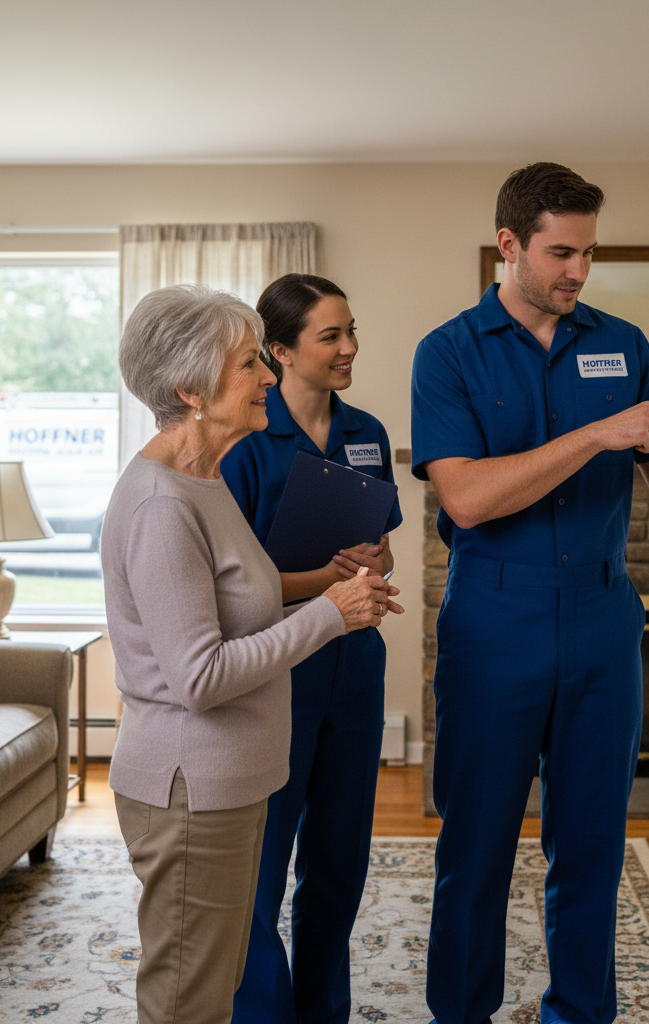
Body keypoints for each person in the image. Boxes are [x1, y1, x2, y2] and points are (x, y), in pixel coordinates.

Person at [410, 163, 649, 1024]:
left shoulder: (621, 342)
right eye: (561, 252)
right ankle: (462, 1015)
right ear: (510, 245)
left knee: (590, 848)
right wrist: (598, 433)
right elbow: (469, 499)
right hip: (495, 616)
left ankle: (581, 1015)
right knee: (476, 849)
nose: (578, 272)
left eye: (590, 252)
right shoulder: (446, 352)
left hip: (601, 615)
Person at [101, 284, 400, 1024]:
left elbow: (237, 615)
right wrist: (329, 612)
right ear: (190, 389)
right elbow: (199, 676)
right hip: (189, 784)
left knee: (211, 988)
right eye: (248, 364)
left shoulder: (201, 486)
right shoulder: (164, 504)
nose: (269, 375)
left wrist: (339, 601)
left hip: (226, 780)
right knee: (185, 1001)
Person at [220, 273, 403, 1024]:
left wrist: (368, 569)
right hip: (276, 671)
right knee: (262, 870)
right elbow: (235, 586)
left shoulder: (368, 432)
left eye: (351, 331)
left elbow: (383, 551)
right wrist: (327, 581)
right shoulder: (245, 444)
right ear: (280, 350)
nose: (350, 348)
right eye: (331, 336)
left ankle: (324, 1011)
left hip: (355, 667)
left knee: (338, 863)